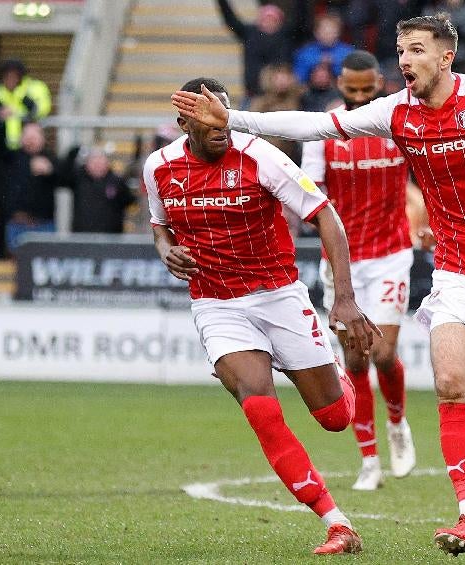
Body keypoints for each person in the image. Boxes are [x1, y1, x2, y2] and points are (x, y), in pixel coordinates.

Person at [172, 14, 465, 558]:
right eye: (401, 50)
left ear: (446, 56)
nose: (404, 60)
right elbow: (311, 125)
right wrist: (235, 118)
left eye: (416, 50)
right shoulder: (394, 112)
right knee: (452, 384)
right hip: (457, 272)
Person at [147, 78, 379, 555]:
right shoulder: (160, 167)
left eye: (225, 113)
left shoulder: (261, 156)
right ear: (183, 122)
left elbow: (325, 216)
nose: (220, 124)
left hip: (278, 297)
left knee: (335, 419)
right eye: (209, 116)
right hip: (216, 303)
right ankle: (337, 523)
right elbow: (160, 227)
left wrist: (345, 299)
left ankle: (338, 371)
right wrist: (167, 251)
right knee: (259, 405)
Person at [299, 50, 419, 491]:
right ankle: (369, 460)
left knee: (384, 354)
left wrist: (424, 217)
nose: (360, 98)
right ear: (339, 85)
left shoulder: (397, 121)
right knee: (355, 358)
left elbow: (424, 175)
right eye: (352, 91)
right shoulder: (322, 131)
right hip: (343, 262)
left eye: (368, 90)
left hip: (391, 252)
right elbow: (311, 196)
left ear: (380, 82)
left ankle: (397, 423)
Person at [0, 59, 52, 257]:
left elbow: (43, 108)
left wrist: (25, 108)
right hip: (5, 154)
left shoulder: (33, 88)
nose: (10, 80)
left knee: (30, 196)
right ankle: (1, 251)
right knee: (3, 201)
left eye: (14, 75)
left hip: (28, 153)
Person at [215, 1, 292, 106]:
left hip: (279, 98)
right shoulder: (249, 33)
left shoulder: (286, 37)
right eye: (266, 19)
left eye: (273, 19)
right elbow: (230, 19)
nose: (269, 22)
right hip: (252, 95)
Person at [4, 123, 57, 252]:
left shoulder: (51, 158)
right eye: (28, 135)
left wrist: (51, 170)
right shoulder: (12, 158)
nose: (31, 139)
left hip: (43, 225)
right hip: (18, 224)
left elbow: (66, 179)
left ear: (42, 139)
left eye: (35, 135)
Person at [63, 146, 136, 233]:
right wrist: (73, 152)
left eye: (100, 160)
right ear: (87, 164)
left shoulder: (117, 181)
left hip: (111, 237)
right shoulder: (78, 178)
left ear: (107, 163)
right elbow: (62, 175)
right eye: (93, 161)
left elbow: (129, 201)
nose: (97, 164)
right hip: (82, 236)